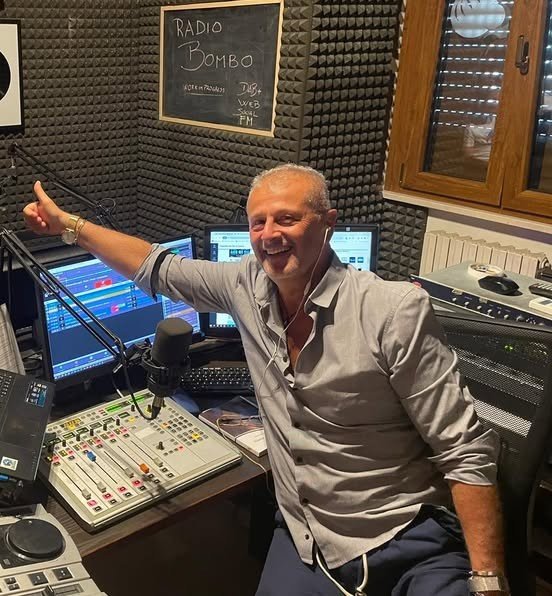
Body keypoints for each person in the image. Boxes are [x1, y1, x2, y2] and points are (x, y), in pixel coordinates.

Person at [23, 164, 508, 596]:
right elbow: (156, 267)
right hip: (307, 538)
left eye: (287, 218)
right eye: (258, 222)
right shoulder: (245, 285)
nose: (269, 234)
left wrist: (488, 580)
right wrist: (71, 226)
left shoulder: (393, 310)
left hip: (403, 535)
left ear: (328, 223)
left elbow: (465, 450)